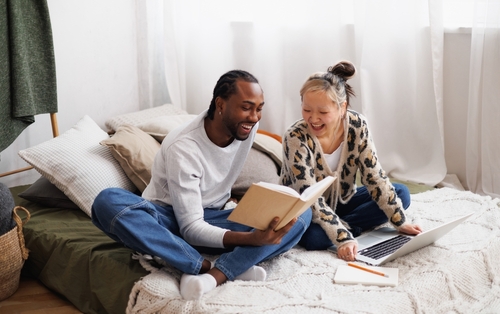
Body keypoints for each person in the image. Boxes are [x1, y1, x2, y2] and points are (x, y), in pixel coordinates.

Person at [92, 70, 312, 300]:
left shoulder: (246, 127)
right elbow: (191, 228)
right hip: (167, 221)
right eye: (246, 108)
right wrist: (251, 240)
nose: (255, 117)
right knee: (108, 201)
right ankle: (203, 266)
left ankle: (213, 272)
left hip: (216, 216)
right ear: (220, 104)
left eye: (259, 108)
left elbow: (207, 219)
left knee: (301, 213)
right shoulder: (184, 146)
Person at [279, 61, 421, 262]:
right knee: (313, 238)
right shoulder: (295, 137)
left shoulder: (357, 126)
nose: (313, 118)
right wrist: (343, 239)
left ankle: (344, 225)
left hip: (343, 202)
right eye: (307, 110)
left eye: (323, 112)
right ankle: (349, 229)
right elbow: (310, 198)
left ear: (342, 108)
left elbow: (374, 177)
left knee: (401, 194)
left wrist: (399, 222)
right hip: (306, 209)